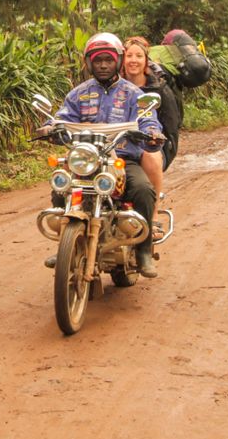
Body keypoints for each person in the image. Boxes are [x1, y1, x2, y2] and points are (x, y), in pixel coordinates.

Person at [38, 32, 165, 278]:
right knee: (61, 187)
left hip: (122, 159)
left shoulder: (133, 94)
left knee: (142, 189)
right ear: (89, 63)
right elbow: (62, 118)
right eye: (98, 61)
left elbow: (148, 119)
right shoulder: (78, 94)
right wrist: (50, 126)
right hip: (87, 160)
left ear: (117, 61)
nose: (103, 65)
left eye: (108, 60)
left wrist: (151, 133)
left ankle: (143, 251)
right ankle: (67, 245)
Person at [121, 36, 181, 234]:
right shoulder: (114, 87)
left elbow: (172, 125)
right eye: (129, 55)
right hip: (118, 145)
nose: (133, 60)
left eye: (139, 56)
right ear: (122, 60)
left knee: (150, 155)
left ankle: (153, 215)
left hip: (151, 145)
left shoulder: (160, 90)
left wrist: (157, 140)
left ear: (146, 61)